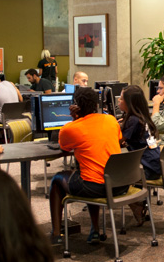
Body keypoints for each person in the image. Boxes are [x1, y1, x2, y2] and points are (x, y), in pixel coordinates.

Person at [49, 87, 128, 241]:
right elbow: (118, 139)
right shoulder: (111, 120)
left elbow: (65, 147)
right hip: (120, 184)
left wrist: (75, 119)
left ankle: (56, 234)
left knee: (58, 179)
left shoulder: (70, 128)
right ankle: (95, 230)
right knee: (88, 172)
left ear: (75, 105)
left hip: (95, 187)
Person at [119, 85, 162, 225]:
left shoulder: (133, 120)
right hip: (156, 165)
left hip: (146, 170)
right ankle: (137, 200)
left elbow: (117, 141)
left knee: (110, 173)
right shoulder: (142, 118)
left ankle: (136, 202)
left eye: (121, 98)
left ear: (129, 103)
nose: (118, 100)